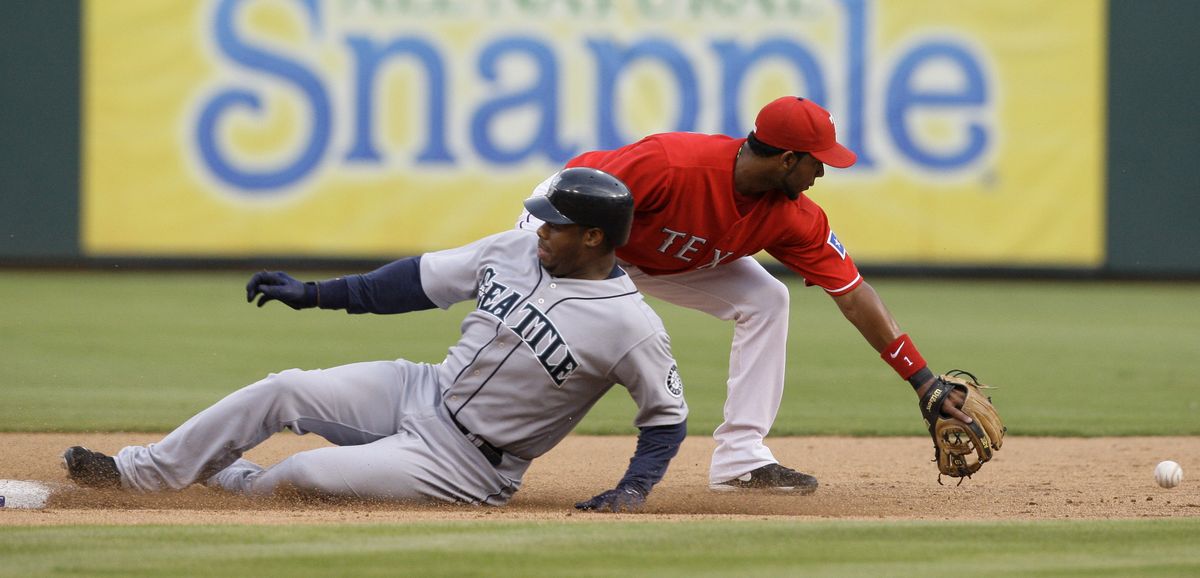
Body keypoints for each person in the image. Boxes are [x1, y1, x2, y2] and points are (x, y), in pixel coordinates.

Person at [62, 167, 688, 512]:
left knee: (304, 474)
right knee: (285, 388)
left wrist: (633, 492)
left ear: (595, 239)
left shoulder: (631, 327)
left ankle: (234, 480)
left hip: (468, 463)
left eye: (557, 225)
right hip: (424, 389)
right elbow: (409, 283)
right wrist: (313, 294)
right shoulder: (515, 250)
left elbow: (667, 418)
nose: (540, 231)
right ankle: (139, 474)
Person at [517, 97, 972, 493]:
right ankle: (471, 433)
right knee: (541, 323)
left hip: (658, 254)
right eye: (818, 161)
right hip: (570, 218)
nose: (823, 171)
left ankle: (741, 460)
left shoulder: (794, 217)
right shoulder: (672, 163)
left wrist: (923, 379)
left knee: (767, 299)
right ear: (787, 160)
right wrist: (564, 281)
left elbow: (853, 294)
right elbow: (577, 198)